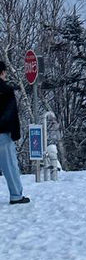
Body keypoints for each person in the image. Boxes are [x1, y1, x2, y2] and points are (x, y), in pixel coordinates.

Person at [0, 61, 30, 204]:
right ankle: (16, 195)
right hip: (3, 134)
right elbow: (12, 114)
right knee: (10, 166)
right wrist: (16, 133)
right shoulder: (6, 90)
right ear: (2, 72)